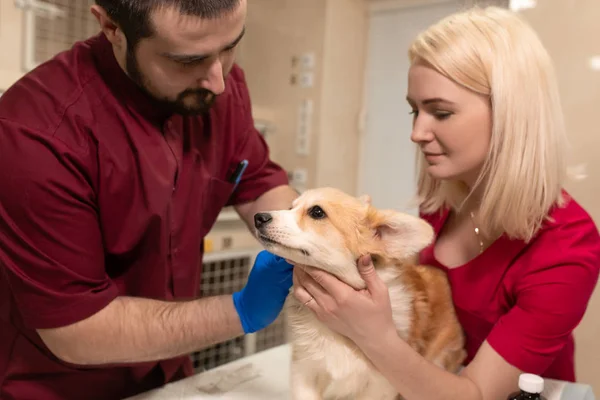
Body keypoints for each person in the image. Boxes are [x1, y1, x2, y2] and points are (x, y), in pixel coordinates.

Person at [292, 6, 600, 400]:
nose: (417, 132)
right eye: (414, 110)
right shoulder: (441, 203)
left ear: (510, 113)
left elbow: (476, 394)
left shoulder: (567, 246)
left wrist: (373, 333)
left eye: (440, 112)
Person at [0, 0, 298, 399]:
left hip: (170, 372)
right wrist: (241, 310)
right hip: (61, 384)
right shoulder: (37, 135)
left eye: (229, 48)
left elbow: (258, 180)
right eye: (185, 60)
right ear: (111, 26)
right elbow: (76, 327)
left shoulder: (216, 85)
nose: (218, 81)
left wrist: (307, 236)